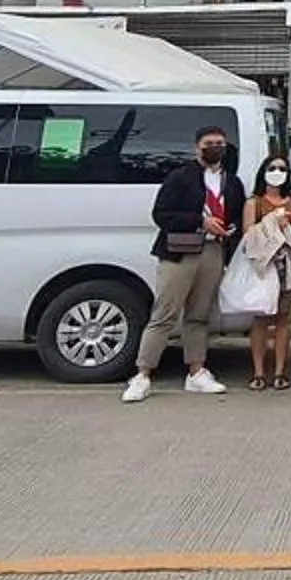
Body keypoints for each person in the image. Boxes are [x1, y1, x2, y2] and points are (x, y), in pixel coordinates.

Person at [126, 124, 238, 402]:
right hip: (180, 250)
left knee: (199, 315)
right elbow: (161, 214)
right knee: (165, 312)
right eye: (210, 143)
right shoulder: (180, 176)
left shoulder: (232, 181)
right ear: (197, 147)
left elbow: (236, 213)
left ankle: (196, 371)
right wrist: (200, 221)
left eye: (220, 143)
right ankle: (142, 374)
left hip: (214, 250)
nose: (216, 148)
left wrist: (230, 229)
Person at [238, 155, 291, 390]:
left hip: (287, 266)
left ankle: (280, 371)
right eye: (272, 168)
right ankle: (258, 372)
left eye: (282, 169)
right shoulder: (254, 202)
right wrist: (273, 222)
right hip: (263, 266)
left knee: (283, 318)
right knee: (260, 318)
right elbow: (248, 234)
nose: (277, 172)